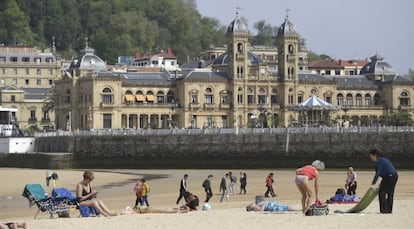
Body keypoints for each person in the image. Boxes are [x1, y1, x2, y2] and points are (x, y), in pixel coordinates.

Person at [369, 149, 398, 213]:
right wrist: (381, 182)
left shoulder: (379, 161)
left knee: (382, 192)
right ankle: (389, 210)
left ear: (375, 155)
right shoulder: (383, 160)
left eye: (371, 156)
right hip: (394, 175)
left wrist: (373, 183)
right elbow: (386, 171)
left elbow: (378, 173)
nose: (370, 157)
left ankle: (384, 210)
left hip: (389, 176)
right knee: (390, 193)